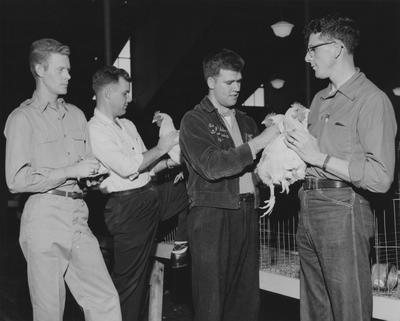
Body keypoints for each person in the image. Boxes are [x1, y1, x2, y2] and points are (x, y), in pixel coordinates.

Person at [285, 15, 397, 321]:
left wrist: (318, 158)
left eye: (312, 49)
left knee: (349, 310)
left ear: (335, 48)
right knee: (314, 309)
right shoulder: (320, 99)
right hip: (307, 206)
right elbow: (308, 153)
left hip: (343, 209)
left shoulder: (373, 100)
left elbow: (381, 177)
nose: (307, 57)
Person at [4, 38, 121, 321]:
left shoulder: (77, 116)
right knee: (49, 312)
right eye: (61, 70)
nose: (69, 75)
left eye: (68, 69)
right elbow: (16, 180)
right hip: (43, 218)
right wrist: (70, 171)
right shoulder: (22, 118)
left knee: (105, 300)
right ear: (40, 70)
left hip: (78, 216)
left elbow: (84, 167)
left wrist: (90, 178)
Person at [179, 48, 280, 321]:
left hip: (247, 211)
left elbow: (257, 167)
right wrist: (260, 142)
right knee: (212, 299)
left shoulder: (246, 120)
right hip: (212, 214)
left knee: (245, 298)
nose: (237, 88)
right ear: (211, 82)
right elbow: (213, 165)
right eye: (229, 82)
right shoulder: (194, 120)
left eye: (239, 81)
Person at [88, 65, 179, 321]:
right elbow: (129, 167)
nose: (128, 99)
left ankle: (183, 240)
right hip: (127, 208)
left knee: (191, 184)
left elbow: (146, 168)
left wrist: (171, 163)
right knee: (131, 283)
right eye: (124, 93)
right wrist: (162, 148)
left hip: (149, 194)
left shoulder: (127, 125)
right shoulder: (94, 130)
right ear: (107, 94)